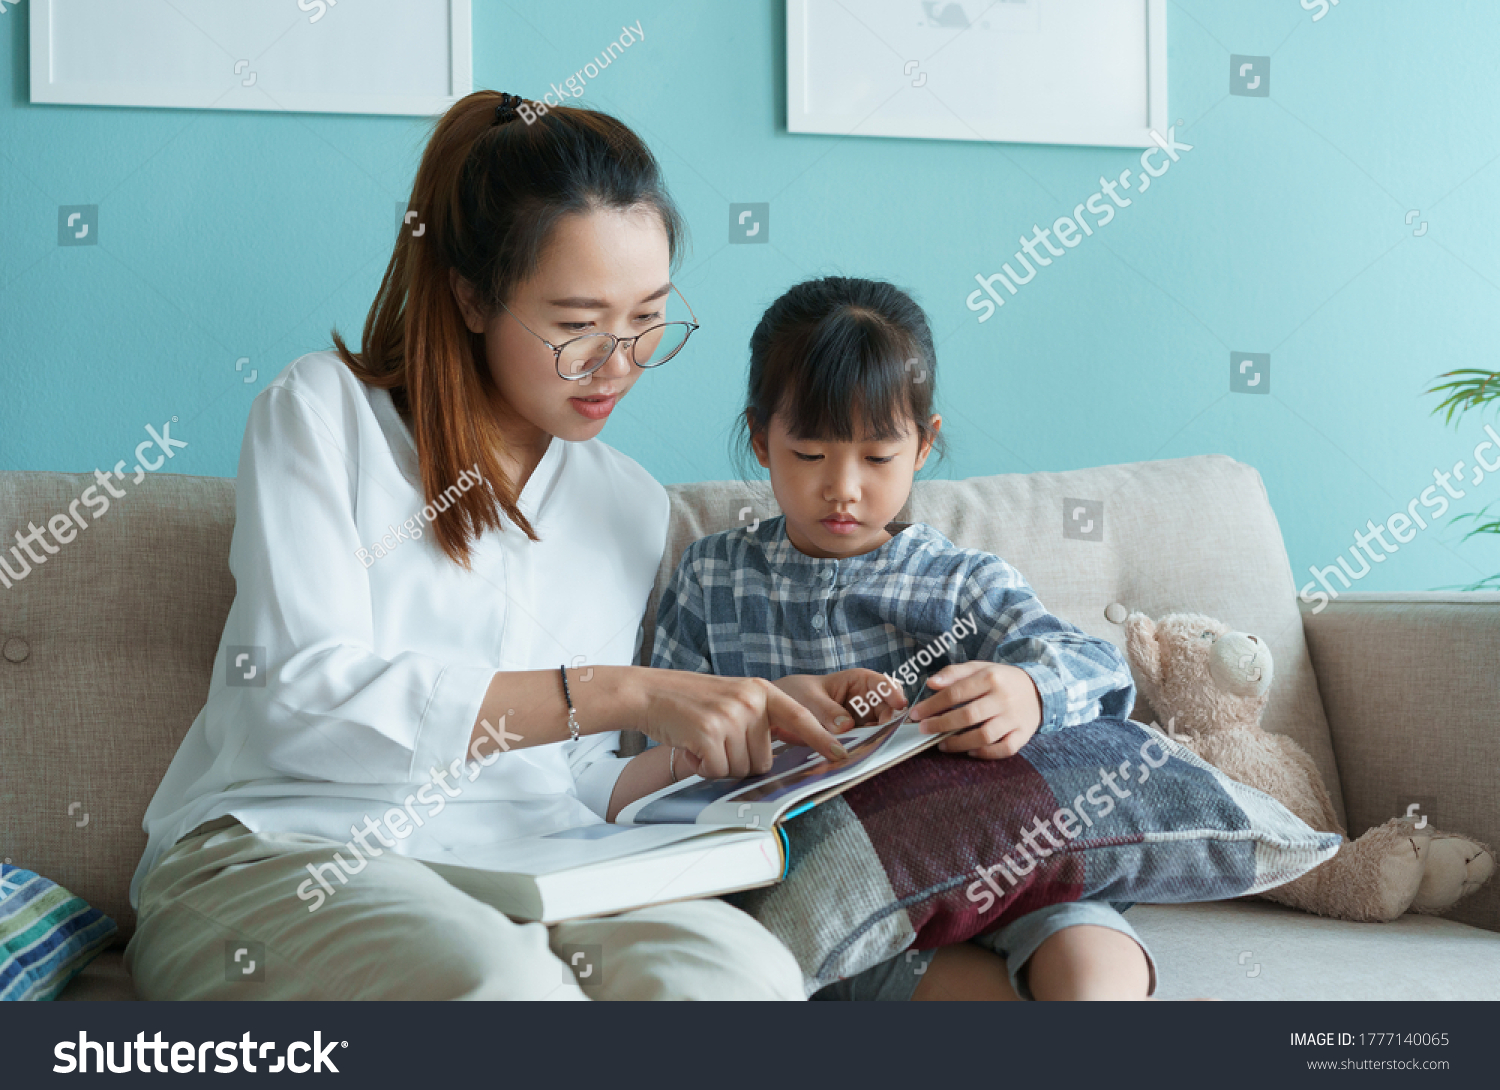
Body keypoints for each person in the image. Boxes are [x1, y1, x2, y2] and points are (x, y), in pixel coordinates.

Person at [123, 92, 884, 1001]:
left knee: (745, 974)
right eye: (576, 326)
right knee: (502, 985)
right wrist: (619, 690)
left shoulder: (627, 501)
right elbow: (293, 701)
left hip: (534, 866)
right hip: (290, 847)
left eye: (648, 316)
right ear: (473, 295)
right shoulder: (322, 414)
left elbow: (572, 775)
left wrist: (728, 725)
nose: (619, 363)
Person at [648, 275, 1159, 1000]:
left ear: (924, 445)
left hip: (989, 865)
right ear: (761, 439)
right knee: (823, 961)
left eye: (877, 457)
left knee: (1084, 945)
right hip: (833, 893)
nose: (844, 487)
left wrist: (1028, 691)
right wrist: (763, 715)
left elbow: (1098, 668)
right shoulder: (712, 578)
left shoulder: (957, 581)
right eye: (811, 453)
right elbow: (642, 762)